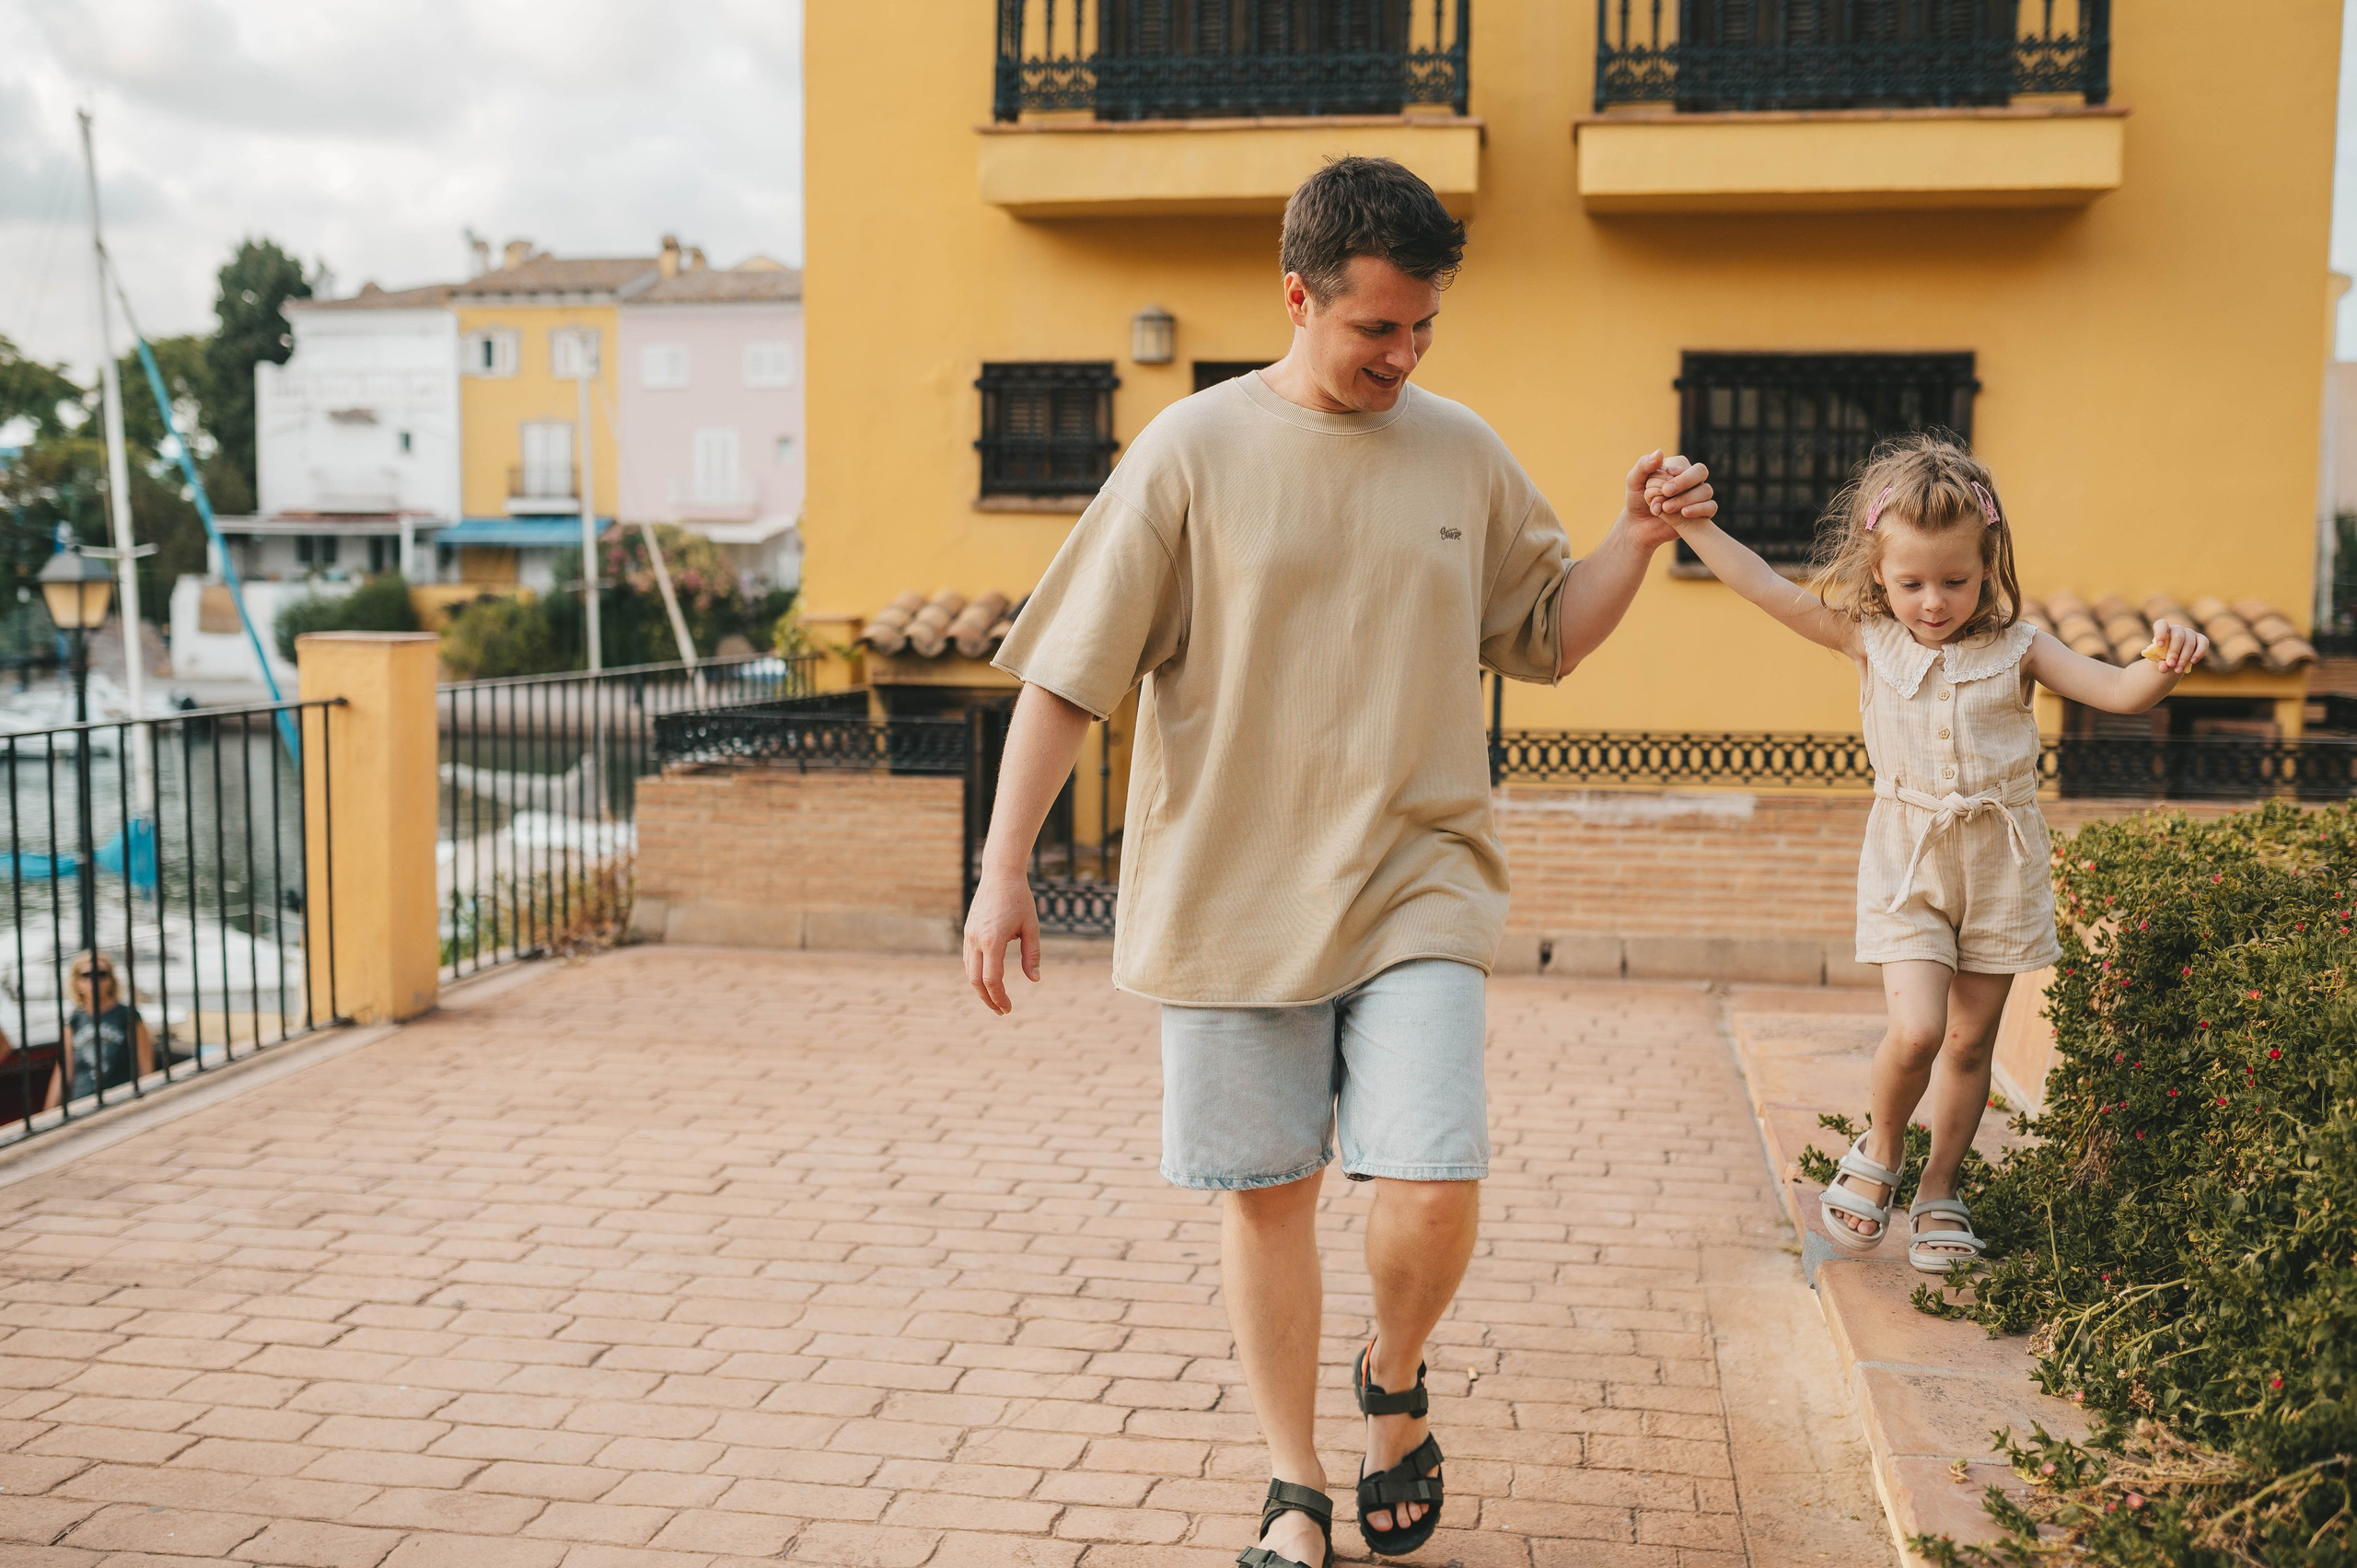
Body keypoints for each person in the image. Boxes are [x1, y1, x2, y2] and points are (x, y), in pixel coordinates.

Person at [963, 157, 1704, 1568]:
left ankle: (1395, 1373)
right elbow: (1069, 674)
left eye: (1424, 327)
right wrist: (1005, 867)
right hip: (1232, 891)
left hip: (1420, 874)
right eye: (1378, 327)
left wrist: (1638, 538)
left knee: (1432, 1175)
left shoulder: (1461, 450)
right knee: (1272, 1197)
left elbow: (1545, 633)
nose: (1405, 354)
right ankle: (1293, 1480)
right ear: (1298, 297)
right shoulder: (1189, 450)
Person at [1651, 432, 2207, 1273]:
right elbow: (1763, 583)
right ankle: (1881, 1150)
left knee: (1969, 1042)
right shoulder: (1867, 639)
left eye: (1955, 580)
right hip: (1909, 859)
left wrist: (2165, 660)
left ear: (1988, 564)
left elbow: (2120, 688)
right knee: (1916, 1031)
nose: (1934, 602)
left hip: (2001, 866)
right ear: (1878, 571)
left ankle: (1941, 1187)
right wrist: (1689, 525)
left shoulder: (2023, 649)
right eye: (1911, 583)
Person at [65, 950, 154, 1100]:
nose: (94, 980)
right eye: (86, 975)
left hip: (119, 1098)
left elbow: (146, 1067)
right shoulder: (74, 1020)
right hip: (82, 1101)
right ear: (77, 982)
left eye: (101, 974)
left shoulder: (127, 1016)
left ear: (111, 980)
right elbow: (64, 1072)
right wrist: (49, 1110)